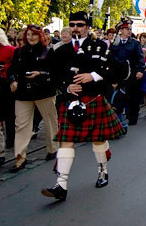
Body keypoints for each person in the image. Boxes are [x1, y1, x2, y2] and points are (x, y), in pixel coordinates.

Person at [41, 11, 126, 201]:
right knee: (66, 141)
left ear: (87, 26)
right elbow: (52, 76)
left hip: (93, 99)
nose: (75, 28)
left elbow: (118, 70)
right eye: (72, 25)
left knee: (97, 139)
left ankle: (103, 170)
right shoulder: (61, 50)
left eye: (79, 25)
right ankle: (61, 184)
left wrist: (94, 76)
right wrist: (66, 86)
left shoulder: (100, 47)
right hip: (70, 101)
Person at [7, 25, 59, 172]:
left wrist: (40, 73)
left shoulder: (48, 51)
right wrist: (12, 80)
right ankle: (20, 157)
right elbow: (12, 69)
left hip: (44, 92)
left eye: (34, 34)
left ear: (40, 36)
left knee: (50, 121)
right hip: (23, 92)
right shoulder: (19, 52)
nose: (31, 37)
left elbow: (55, 72)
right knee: (21, 125)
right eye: (28, 34)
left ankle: (53, 149)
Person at [110, 18, 144, 125]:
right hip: (119, 74)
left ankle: (132, 117)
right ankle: (119, 117)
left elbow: (140, 58)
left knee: (133, 96)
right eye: (127, 29)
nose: (129, 31)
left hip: (132, 74)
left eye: (130, 29)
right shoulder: (115, 43)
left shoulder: (135, 43)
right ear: (121, 30)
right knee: (119, 96)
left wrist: (140, 70)